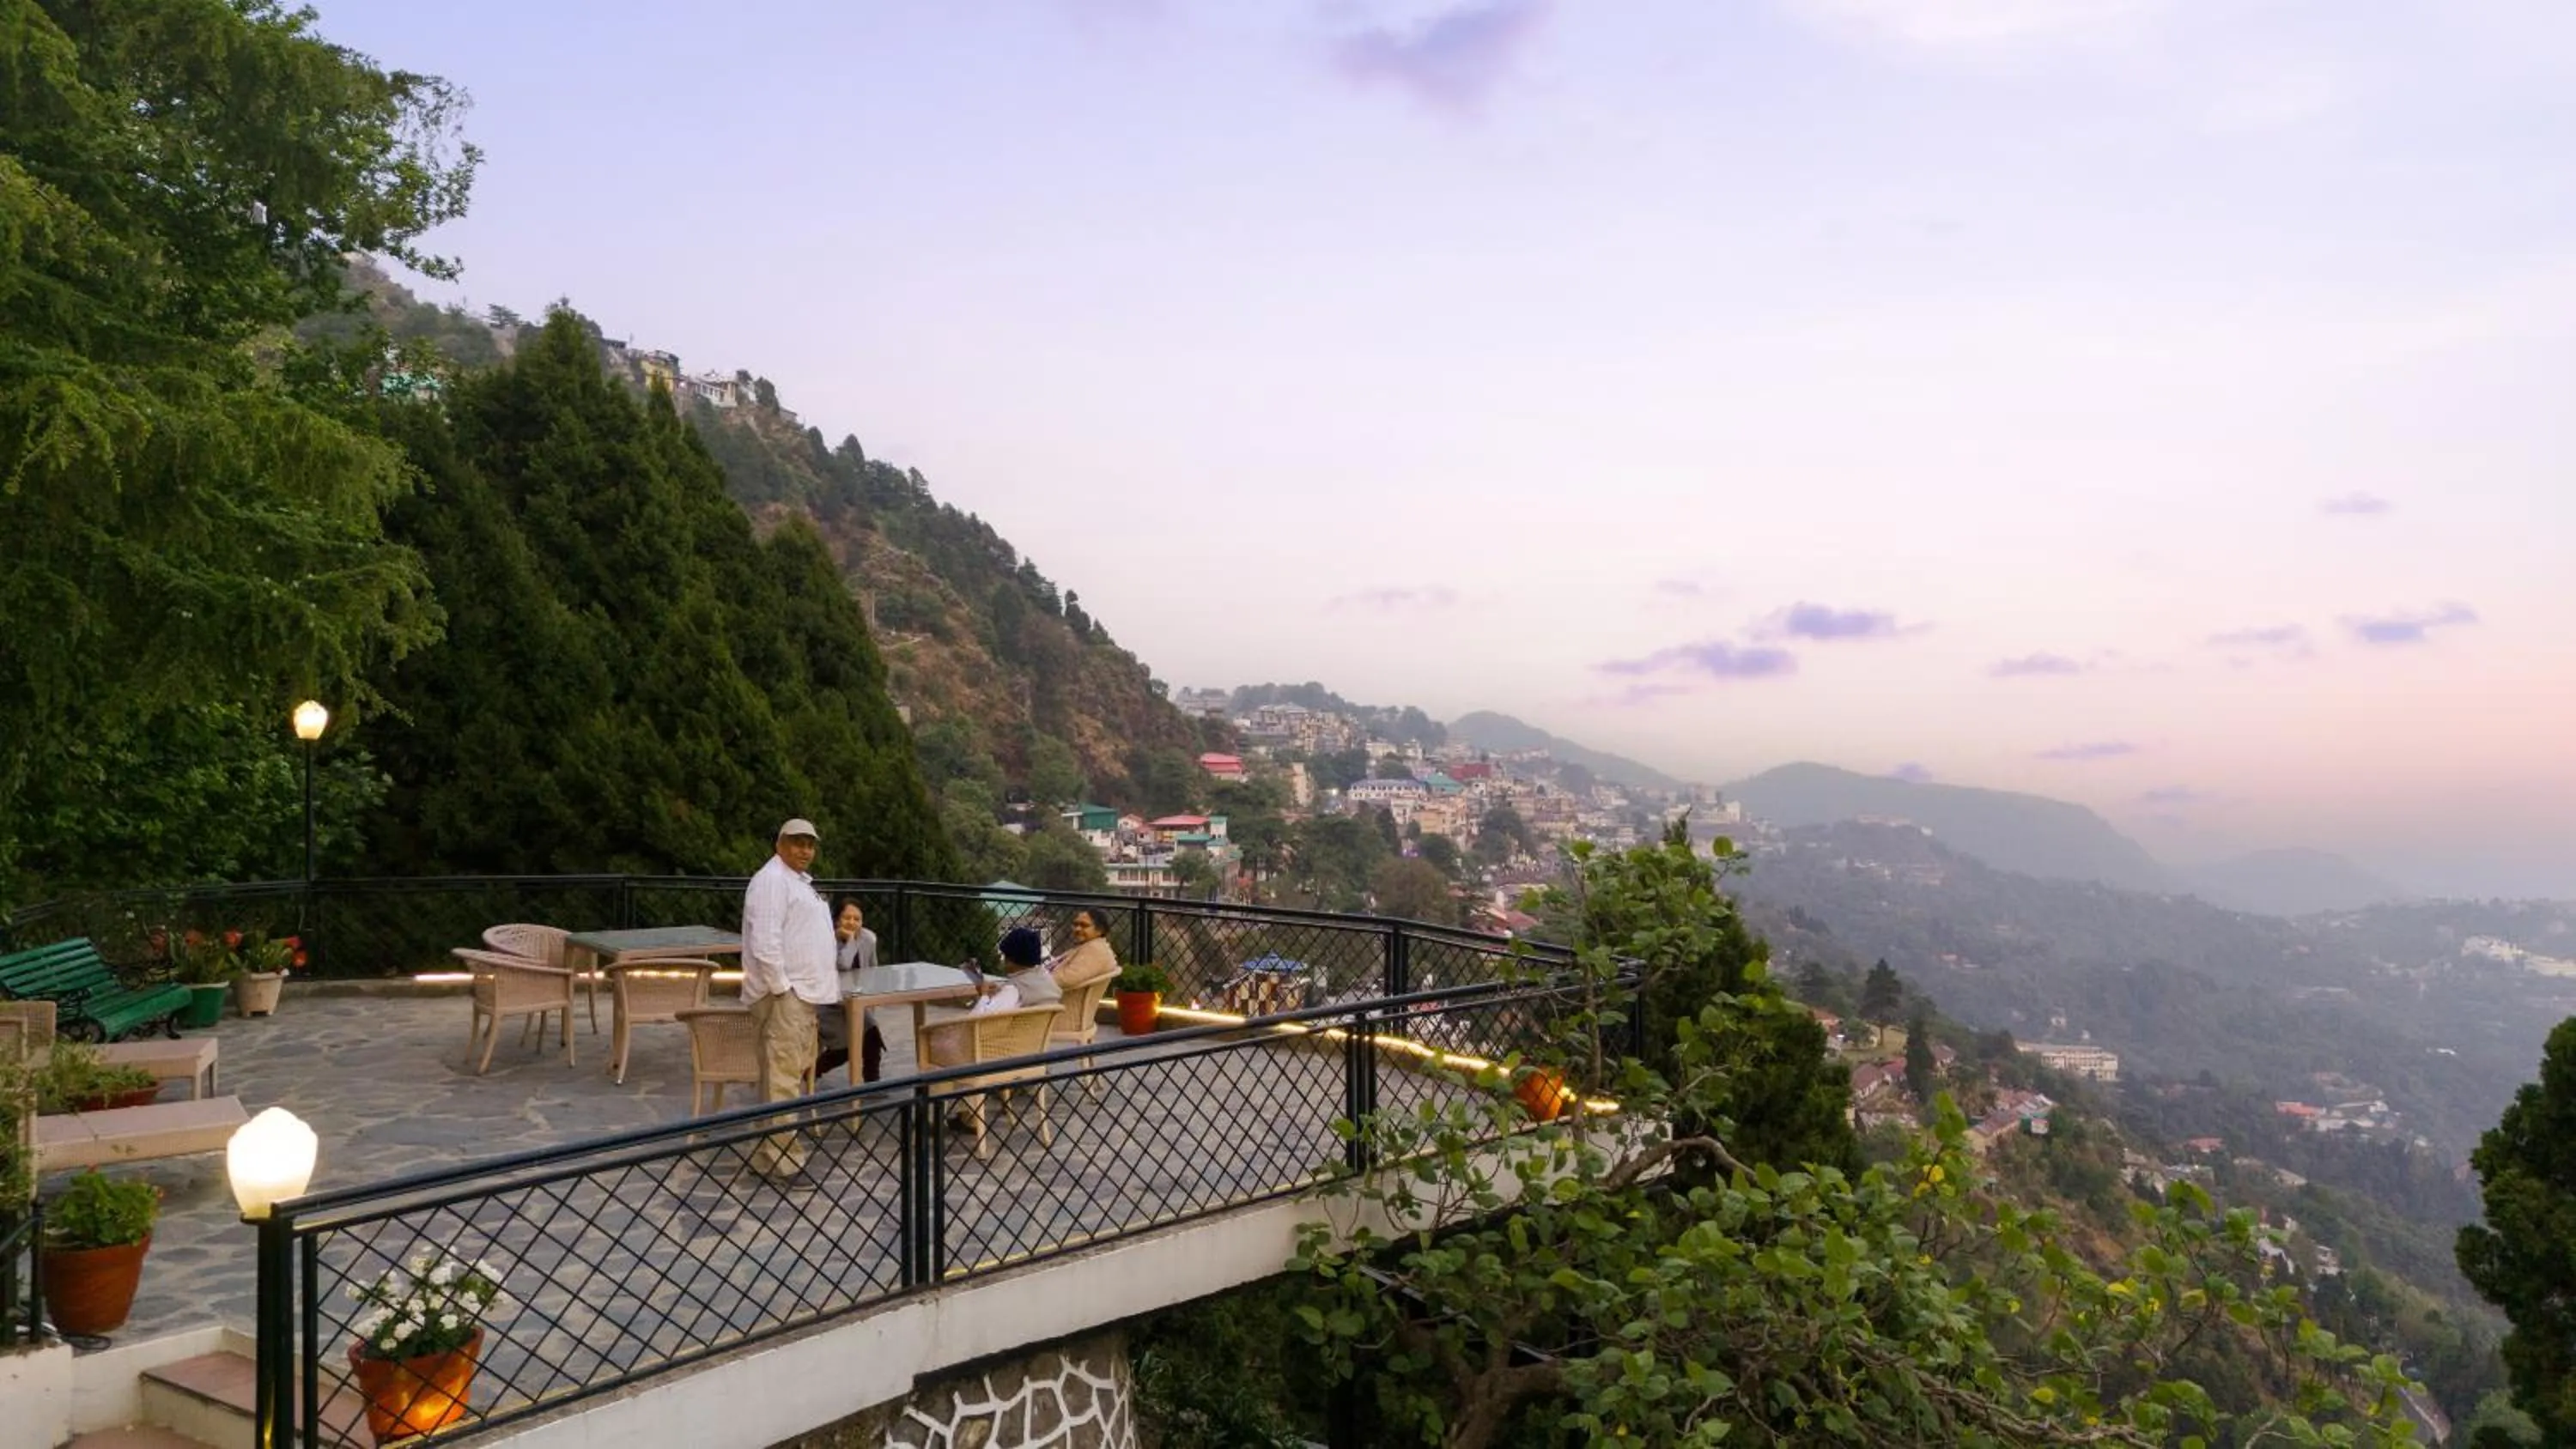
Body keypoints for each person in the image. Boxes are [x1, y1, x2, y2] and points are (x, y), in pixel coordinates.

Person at [739, 819, 835, 1184]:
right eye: (797, 843)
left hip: (797, 993)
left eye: (810, 844)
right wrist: (782, 989)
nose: (805, 850)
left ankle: (767, 1155)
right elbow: (765, 940)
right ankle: (784, 1160)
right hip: (785, 995)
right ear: (780, 843)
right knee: (783, 1077)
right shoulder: (771, 881)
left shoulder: (793, 881)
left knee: (781, 1075)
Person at [921, 926, 1049, 1069]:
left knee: (933, 1041)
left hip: (996, 1055)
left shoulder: (1013, 990)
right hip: (1031, 1051)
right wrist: (999, 993)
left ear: (1011, 960)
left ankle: (937, 1089)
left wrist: (983, 996)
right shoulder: (1046, 982)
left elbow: (976, 1024)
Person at [825, 898, 884, 1082]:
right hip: (830, 1003)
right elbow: (843, 964)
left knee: (872, 1034)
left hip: (856, 1000)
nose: (852, 922)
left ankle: (871, 1083)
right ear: (837, 920)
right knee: (846, 1047)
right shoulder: (827, 940)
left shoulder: (869, 938)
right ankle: (808, 1074)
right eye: (847, 918)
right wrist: (850, 941)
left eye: (857, 919)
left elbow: (873, 969)